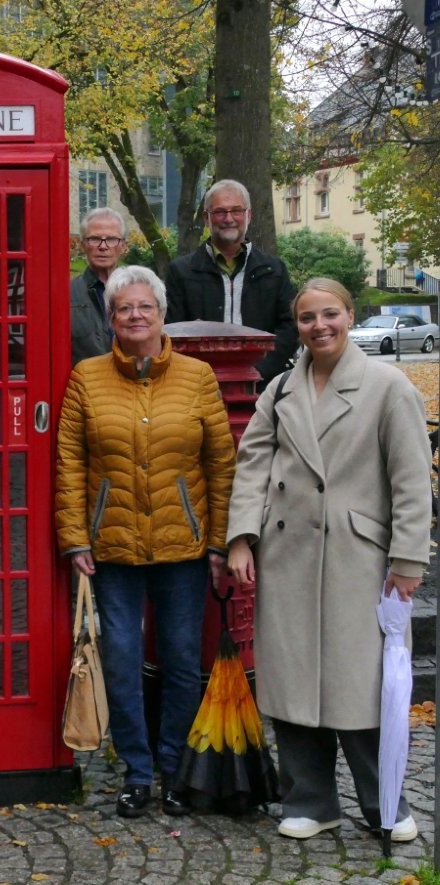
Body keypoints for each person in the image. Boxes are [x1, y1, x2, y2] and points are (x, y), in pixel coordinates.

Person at [226, 277, 432, 843]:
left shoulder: (388, 388)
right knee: (292, 683)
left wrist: (409, 559)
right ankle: (311, 801)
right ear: (298, 326)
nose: (320, 326)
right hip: (288, 554)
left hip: (359, 558)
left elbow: (412, 482)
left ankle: (383, 803)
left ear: (349, 315)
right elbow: (253, 466)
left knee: (363, 686)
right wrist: (241, 536)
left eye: (331, 314)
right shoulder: (281, 391)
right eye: (309, 317)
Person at [55, 265, 235, 820]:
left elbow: (221, 463)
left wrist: (221, 542)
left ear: (161, 315)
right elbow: (69, 462)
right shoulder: (86, 376)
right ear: (110, 318)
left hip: (184, 547)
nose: (135, 316)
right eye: (124, 308)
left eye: (145, 307)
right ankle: (135, 771)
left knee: (182, 661)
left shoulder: (198, 376)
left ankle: (174, 768)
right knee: (123, 660)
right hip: (113, 548)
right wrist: (74, 537)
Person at [164, 179, 298, 386]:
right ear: (206, 218)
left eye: (236, 211)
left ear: (248, 216)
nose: (228, 219)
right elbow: (173, 331)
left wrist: (259, 370)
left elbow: (290, 327)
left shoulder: (274, 270)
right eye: (220, 212)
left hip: (264, 384)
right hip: (198, 386)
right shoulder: (181, 272)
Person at [70, 207, 129, 364]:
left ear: (123, 246)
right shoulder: (66, 294)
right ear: (83, 245)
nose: (103, 246)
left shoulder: (140, 292)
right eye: (95, 239)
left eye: (111, 239)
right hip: (85, 384)